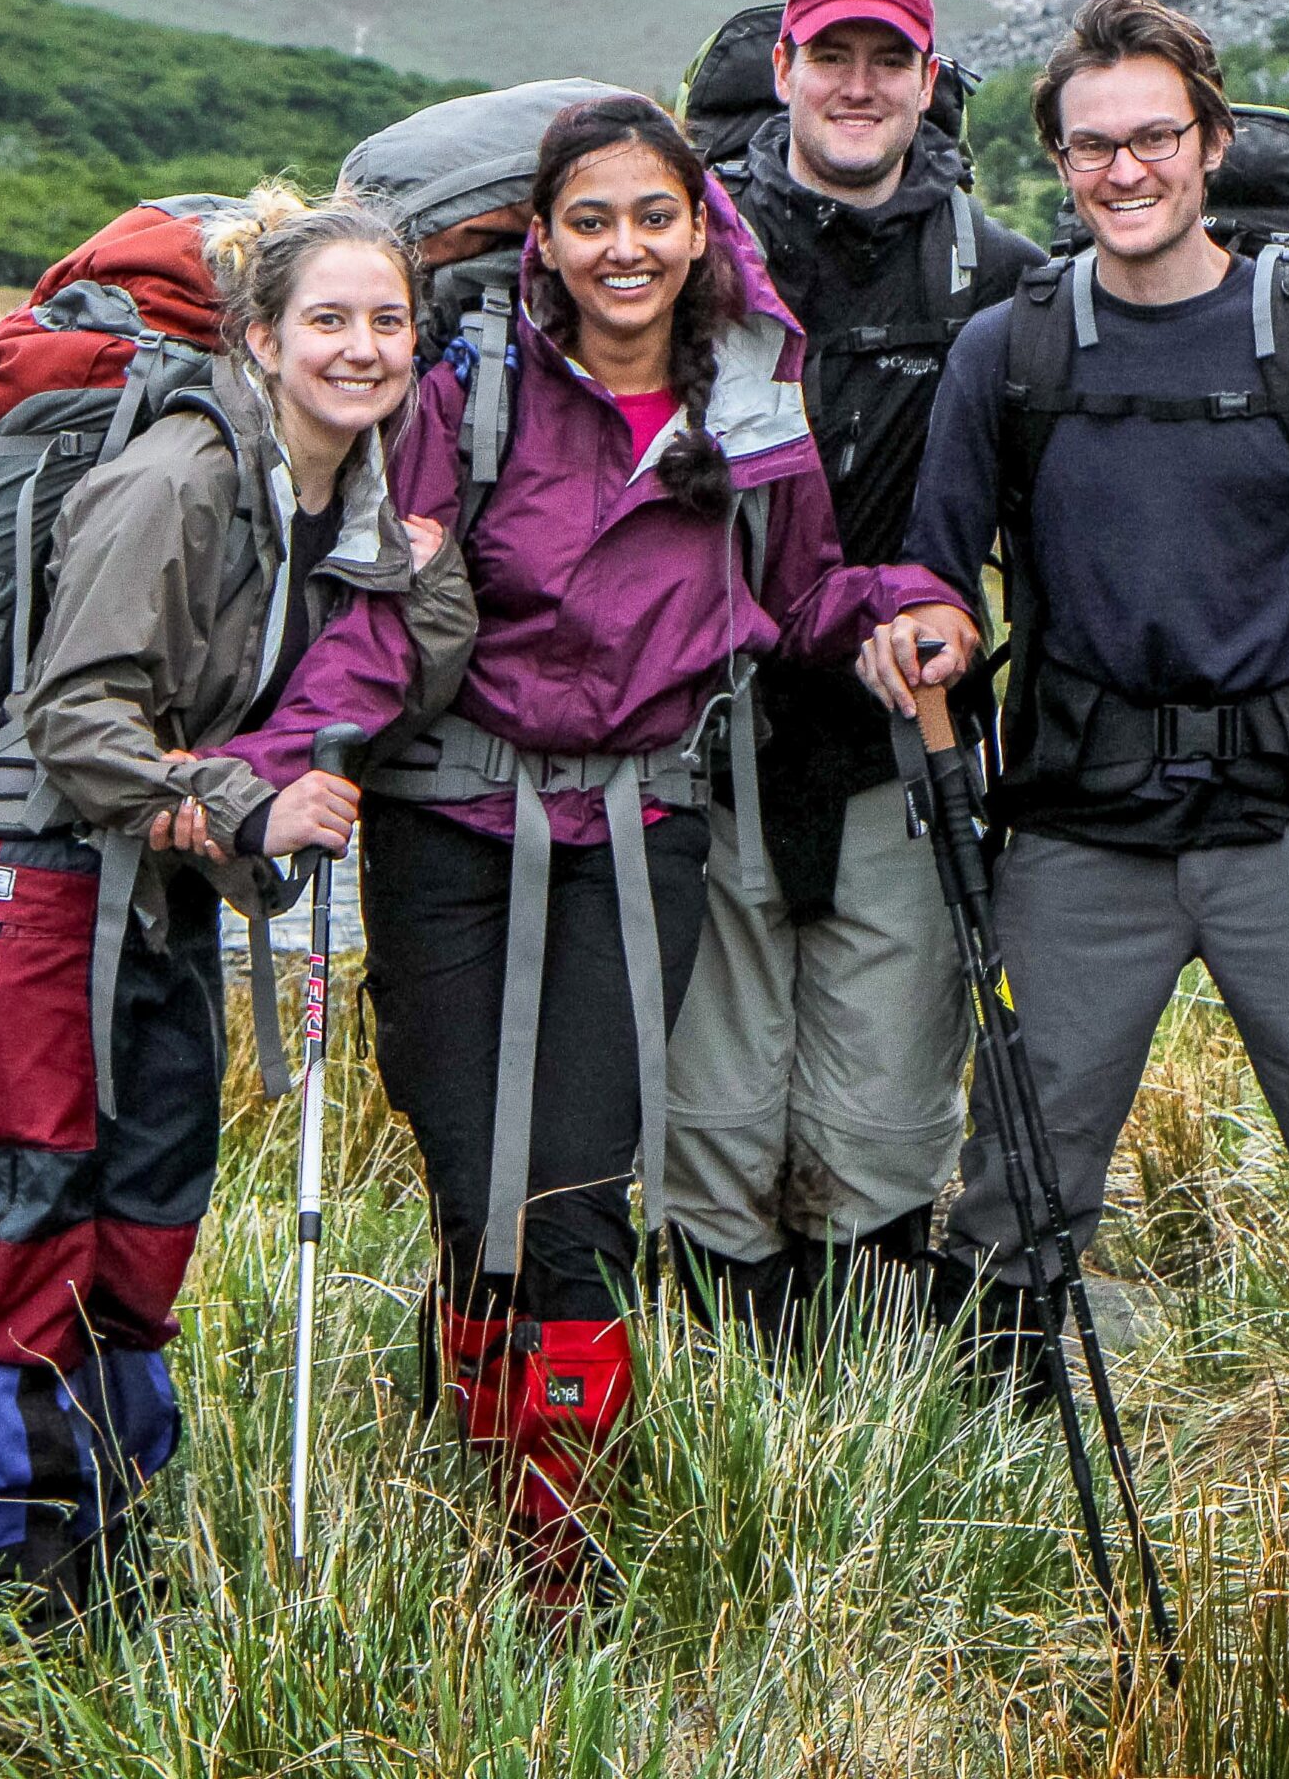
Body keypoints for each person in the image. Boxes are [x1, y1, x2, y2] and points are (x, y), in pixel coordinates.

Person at [225, 92, 977, 1601]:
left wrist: (904, 609)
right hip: (448, 829)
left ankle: (555, 1566)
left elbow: (808, 590)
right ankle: (494, 1467)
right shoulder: (476, 393)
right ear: (550, 244)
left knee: (571, 1191)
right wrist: (274, 773)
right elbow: (393, 617)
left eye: (653, 216)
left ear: (700, 228)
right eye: (591, 221)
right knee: (473, 1186)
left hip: (641, 830)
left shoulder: (752, 397)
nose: (624, 248)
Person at [873, 0, 1289, 1574]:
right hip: (1081, 838)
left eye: (1154, 137)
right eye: (1091, 147)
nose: (1123, 169)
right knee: (1019, 1192)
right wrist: (929, 632)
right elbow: (930, 566)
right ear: (1058, 164)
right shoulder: (1006, 354)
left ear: (1210, 144)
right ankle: (997, 1532)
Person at [0, 188, 476, 1625]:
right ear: (263, 335)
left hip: (151, 891)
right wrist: (247, 807)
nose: (362, 348)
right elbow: (73, 719)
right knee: (31, 1213)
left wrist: (419, 560)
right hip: (29, 887)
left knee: (146, 1216)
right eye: (329, 321)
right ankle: (13, 1583)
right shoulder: (178, 479)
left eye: (388, 321)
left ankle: (113, 1541)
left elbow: (422, 659)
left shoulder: (339, 488)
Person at [665, 0, 1042, 1341]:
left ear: (930, 81)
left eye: (891, 60)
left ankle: (849, 1419)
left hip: (905, 753)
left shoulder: (1003, 281)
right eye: (835, 56)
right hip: (713, 747)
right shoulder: (689, 259)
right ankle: (734, 1413)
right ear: (785, 70)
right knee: (712, 1110)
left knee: (882, 1113)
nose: (860, 85)